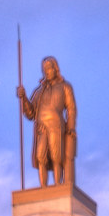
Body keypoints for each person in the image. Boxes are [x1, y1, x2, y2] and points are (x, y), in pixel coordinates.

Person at [17, 56, 77, 186]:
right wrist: (23, 98)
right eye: (44, 69)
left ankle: (57, 185)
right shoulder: (39, 91)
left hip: (56, 126)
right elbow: (30, 113)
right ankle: (43, 187)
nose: (47, 71)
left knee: (56, 157)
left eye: (49, 68)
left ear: (55, 69)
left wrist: (71, 127)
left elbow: (71, 109)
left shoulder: (65, 87)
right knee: (40, 157)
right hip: (41, 127)